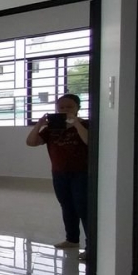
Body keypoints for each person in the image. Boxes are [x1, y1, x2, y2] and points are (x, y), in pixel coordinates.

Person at [26, 94, 90, 259]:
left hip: (82, 174)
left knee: (83, 208)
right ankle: (72, 240)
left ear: (78, 108)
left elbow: (90, 141)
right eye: (61, 107)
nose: (65, 110)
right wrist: (39, 125)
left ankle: (91, 247)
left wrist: (76, 123)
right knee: (67, 206)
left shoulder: (85, 124)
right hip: (59, 173)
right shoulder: (52, 129)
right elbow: (31, 142)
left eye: (69, 107)